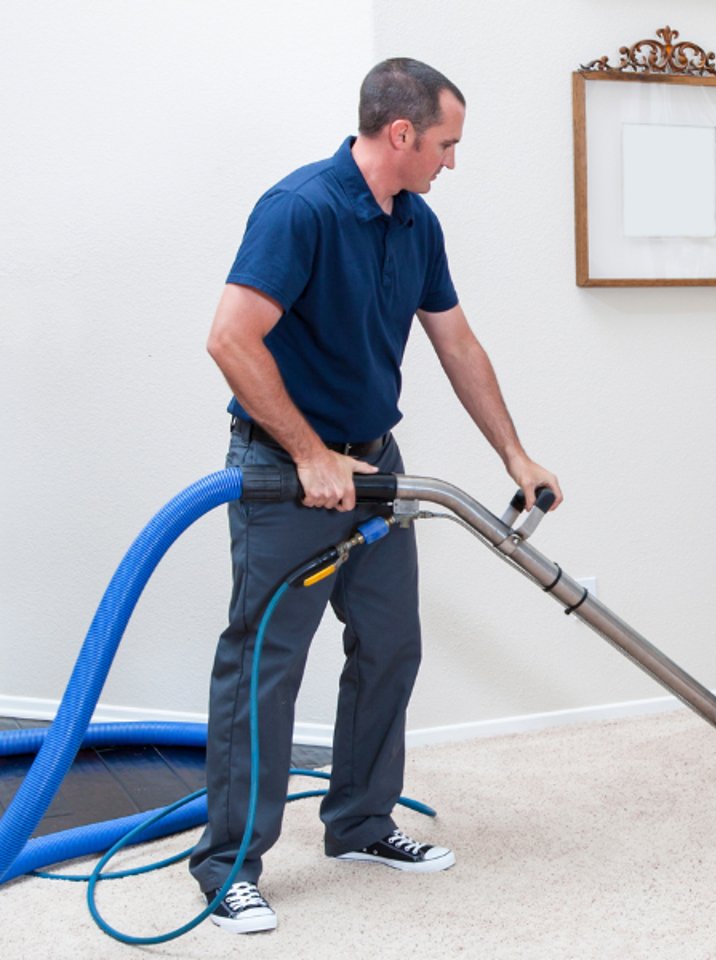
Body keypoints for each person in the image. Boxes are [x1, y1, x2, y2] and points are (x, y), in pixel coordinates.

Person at [193, 58, 562, 934]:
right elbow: (229, 339)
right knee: (265, 667)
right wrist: (310, 453)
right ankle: (227, 865)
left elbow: (457, 343)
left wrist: (514, 454)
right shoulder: (301, 210)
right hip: (290, 476)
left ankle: (359, 822)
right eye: (446, 144)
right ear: (401, 134)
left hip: (376, 469)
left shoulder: (416, 223)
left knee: (391, 644)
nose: (451, 161)